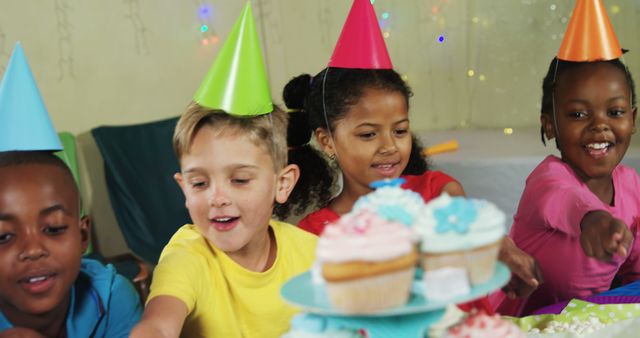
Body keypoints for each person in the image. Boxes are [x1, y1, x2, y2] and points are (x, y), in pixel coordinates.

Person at [129, 3, 317, 337]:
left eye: (240, 179)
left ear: (283, 183)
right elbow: (157, 324)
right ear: (183, 187)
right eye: (199, 183)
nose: (217, 198)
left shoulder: (311, 253)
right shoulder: (188, 256)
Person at [494, 56, 639, 316]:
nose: (599, 125)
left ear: (633, 119)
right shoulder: (547, 179)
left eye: (615, 112)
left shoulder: (631, 185)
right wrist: (594, 220)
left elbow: (635, 275)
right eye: (578, 114)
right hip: (525, 324)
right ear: (550, 125)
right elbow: (566, 201)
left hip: (590, 322)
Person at [0, 151, 142, 338]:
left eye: (53, 228)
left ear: (83, 235)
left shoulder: (111, 298)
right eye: (3, 236)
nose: (33, 250)